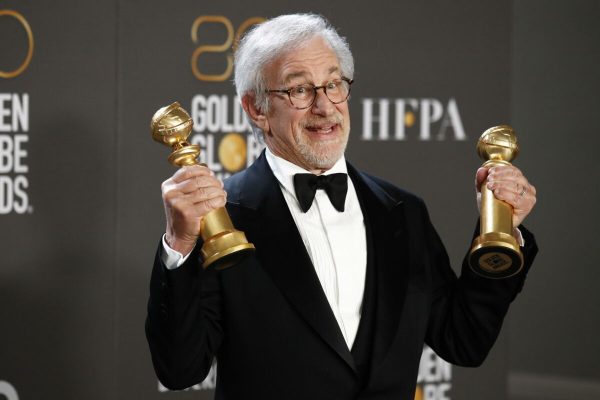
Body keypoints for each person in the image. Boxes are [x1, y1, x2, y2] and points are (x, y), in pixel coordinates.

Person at [146, 13, 538, 400]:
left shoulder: (403, 211)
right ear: (256, 109)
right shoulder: (220, 219)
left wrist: (502, 232)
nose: (325, 106)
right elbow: (181, 369)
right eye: (299, 90)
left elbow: (462, 341)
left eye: (334, 84)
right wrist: (179, 245)